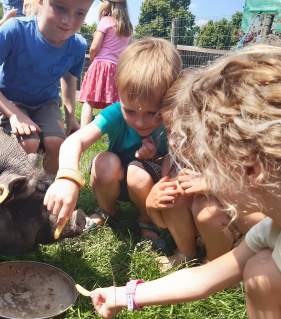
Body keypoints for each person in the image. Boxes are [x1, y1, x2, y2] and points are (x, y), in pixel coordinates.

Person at [90, 40, 281, 319]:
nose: (195, 166)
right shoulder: (275, 233)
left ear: (251, 168)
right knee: (262, 272)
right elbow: (205, 279)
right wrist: (124, 295)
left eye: (210, 159)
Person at [44, 38, 182, 250]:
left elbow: (178, 162)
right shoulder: (115, 113)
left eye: (153, 113)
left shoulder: (172, 122)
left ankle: (147, 220)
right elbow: (75, 140)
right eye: (130, 111)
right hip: (115, 180)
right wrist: (67, 177)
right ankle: (107, 210)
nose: (140, 122)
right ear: (118, 94)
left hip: (148, 185)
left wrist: (154, 159)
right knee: (103, 161)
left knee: (138, 172)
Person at [0, 0, 94, 174]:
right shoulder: (14, 30)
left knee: (56, 143)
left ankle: (49, 192)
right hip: (9, 100)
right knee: (28, 143)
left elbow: (69, 77)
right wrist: (14, 114)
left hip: (47, 101)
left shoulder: (78, 45)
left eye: (80, 13)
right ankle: (17, 188)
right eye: (60, 7)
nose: (68, 20)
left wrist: (71, 116)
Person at [146, 167, 265, 268]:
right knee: (173, 190)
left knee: (207, 210)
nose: (174, 142)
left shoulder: (250, 163)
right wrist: (150, 205)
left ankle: (215, 265)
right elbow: (164, 225)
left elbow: (264, 226)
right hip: (205, 234)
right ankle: (186, 254)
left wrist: (218, 187)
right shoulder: (178, 162)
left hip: (246, 236)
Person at [78, 0, 133, 128]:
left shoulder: (106, 21)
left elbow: (94, 47)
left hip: (100, 64)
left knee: (88, 100)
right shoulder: (128, 27)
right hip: (116, 68)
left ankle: (84, 131)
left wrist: (93, 59)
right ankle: (110, 134)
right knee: (112, 103)